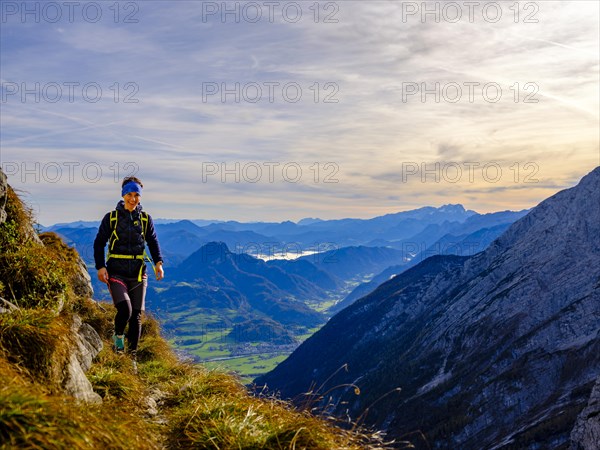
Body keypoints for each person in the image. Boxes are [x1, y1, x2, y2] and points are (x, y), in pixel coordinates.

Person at [93, 176, 164, 370]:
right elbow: (99, 242)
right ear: (123, 195)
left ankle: (131, 358)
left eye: (136, 195)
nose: (133, 199)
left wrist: (158, 263)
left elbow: (153, 241)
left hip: (139, 273)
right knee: (125, 310)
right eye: (129, 195)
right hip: (116, 271)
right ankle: (118, 340)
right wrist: (101, 266)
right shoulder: (111, 218)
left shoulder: (145, 219)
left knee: (137, 316)